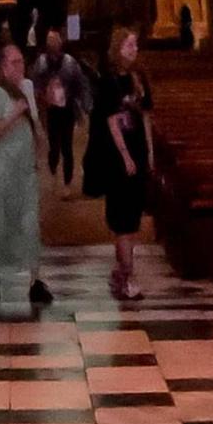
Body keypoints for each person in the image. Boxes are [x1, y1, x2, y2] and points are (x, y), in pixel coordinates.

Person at [0, 35, 51, 311]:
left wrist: (41, 139)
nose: (20, 68)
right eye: (14, 63)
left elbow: (36, 123)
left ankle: (35, 282)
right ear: (4, 68)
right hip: (3, 171)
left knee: (30, 225)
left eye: (22, 62)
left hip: (25, 170)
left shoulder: (27, 88)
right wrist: (14, 114)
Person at [85, 24, 153, 303]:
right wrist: (125, 156)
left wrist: (149, 153)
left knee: (132, 222)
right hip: (117, 157)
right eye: (129, 45)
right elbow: (112, 121)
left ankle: (122, 273)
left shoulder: (138, 77)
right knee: (123, 221)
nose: (133, 50)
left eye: (135, 45)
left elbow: (147, 115)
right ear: (117, 49)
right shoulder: (109, 81)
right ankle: (128, 276)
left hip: (137, 150)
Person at [32, 25, 85, 187]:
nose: (52, 43)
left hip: (67, 109)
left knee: (67, 146)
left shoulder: (69, 62)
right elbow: (36, 84)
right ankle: (53, 171)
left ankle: (67, 182)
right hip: (50, 110)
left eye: (55, 39)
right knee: (54, 145)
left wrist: (79, 107)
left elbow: (79, 85)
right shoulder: (41, 62)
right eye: (50, 40)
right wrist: (42, 98)